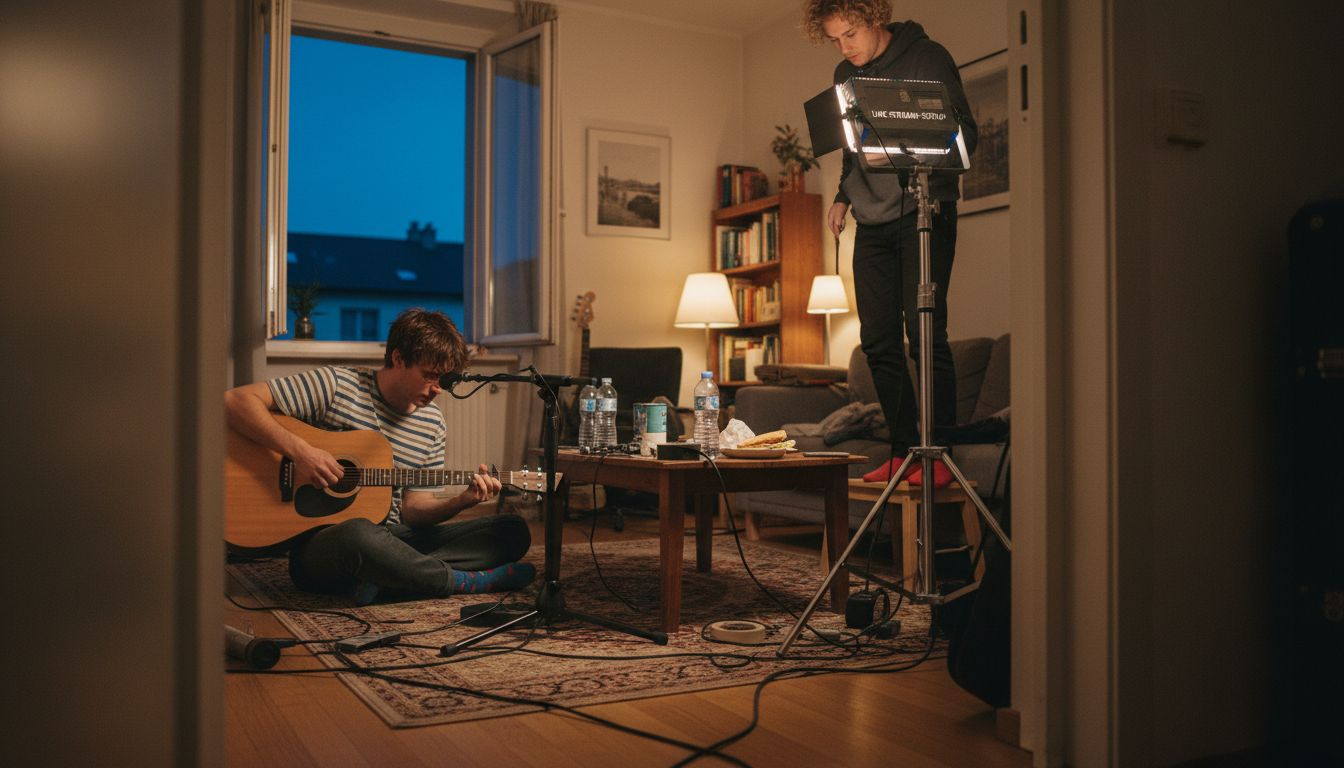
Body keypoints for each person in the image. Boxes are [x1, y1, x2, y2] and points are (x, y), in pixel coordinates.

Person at [224, 308, 535, 605]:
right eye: (430, 376)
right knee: (358, 533)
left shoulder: (433, 424)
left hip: (393, 538)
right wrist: (302, 452)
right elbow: (236, 401)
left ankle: (388, 579)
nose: (438, 389)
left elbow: (414, 511)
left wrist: (462, 501)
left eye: (445, 381)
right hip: (324, 546)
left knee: (511, 532)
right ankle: (459, 581)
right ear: (398, 358)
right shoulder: (336, 385)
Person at [803, 0, 978, 483]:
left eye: (851, 33)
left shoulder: (928, 57)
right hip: (872, 220)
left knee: (924, 335)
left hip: (925, 211)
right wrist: (842, 196)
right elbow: (851, 148)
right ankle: (904, 452)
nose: (845, 47)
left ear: (875, 17)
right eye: (836, 39)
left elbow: (967, 136)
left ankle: (937, 455)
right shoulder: (844, 72)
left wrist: (908, 143)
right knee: (877, 342)